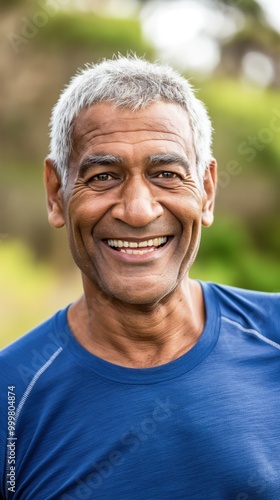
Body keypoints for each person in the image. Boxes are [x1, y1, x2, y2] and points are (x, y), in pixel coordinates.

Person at [0, 55, 279, 500]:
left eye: (166, 175)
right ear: (57, 194)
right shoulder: (10, 397)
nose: (137, 210)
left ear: (206, 192)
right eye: (103, 176)